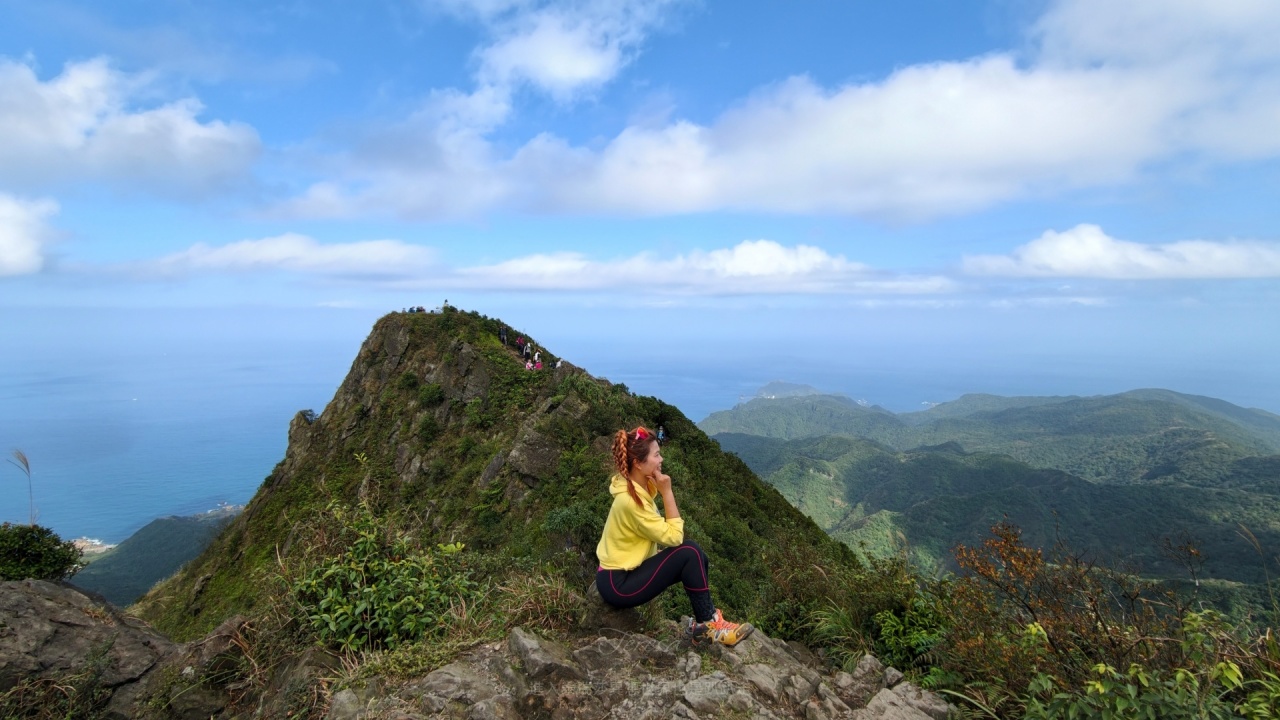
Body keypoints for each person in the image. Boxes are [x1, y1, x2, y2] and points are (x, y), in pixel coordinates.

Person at [595, 426, 754, 646]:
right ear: (638, 463)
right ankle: (709, 626)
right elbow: (675, 537)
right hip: (618, 584)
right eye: (656, 455)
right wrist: (667, 492)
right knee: (689, 552)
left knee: (697, 557)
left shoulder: (634, 486)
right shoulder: (630, 501)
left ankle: (705, 621)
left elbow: (637, 536)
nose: (661, 459)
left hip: (624, 572)